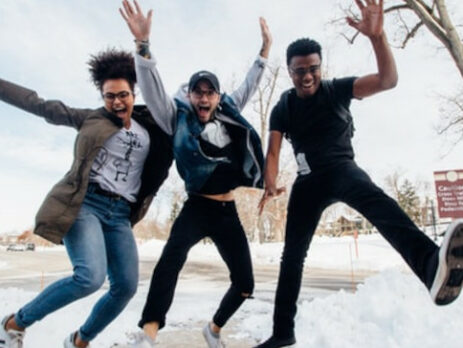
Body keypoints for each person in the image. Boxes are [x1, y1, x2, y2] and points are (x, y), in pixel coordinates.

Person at [256, 0, 463, 347]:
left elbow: (387, 80)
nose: (306, 76)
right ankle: (282, 333)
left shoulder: (336, 89)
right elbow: (273, 149)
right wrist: (271, 181)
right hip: (308, 183)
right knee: (292, 256)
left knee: (381, 207)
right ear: (289, 71)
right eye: (298, 71)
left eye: (312, 68)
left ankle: (431, 266)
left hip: (341, 170)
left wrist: (377, 38)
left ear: (320, 67)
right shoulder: (284, 106)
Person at [117, 1, 271, 347]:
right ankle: (149, 333)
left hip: (227, 211)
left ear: (217, 97)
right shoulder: (176, 118)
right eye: (197, 92)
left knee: (245, 284)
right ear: (190, 95)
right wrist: (143, 48)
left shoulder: (228, 113)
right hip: (196, 207)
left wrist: (263, 52)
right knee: (170, 262)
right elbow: (154, 89)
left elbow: (248, 86)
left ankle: (213, 329)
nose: (204, 98)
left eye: (210, 93)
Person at [0, 49, 173, 348]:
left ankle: (80, 340)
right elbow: (41, 106)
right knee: (89, 277)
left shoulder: (152, 126)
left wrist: (144, 47)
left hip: (119, 215)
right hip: (85, 206)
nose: (116, 102)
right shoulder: (92, 118)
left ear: (134, 93)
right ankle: (13, 324)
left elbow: (176, 113)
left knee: (126, 287)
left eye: (122, 95)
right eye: (109, 96)